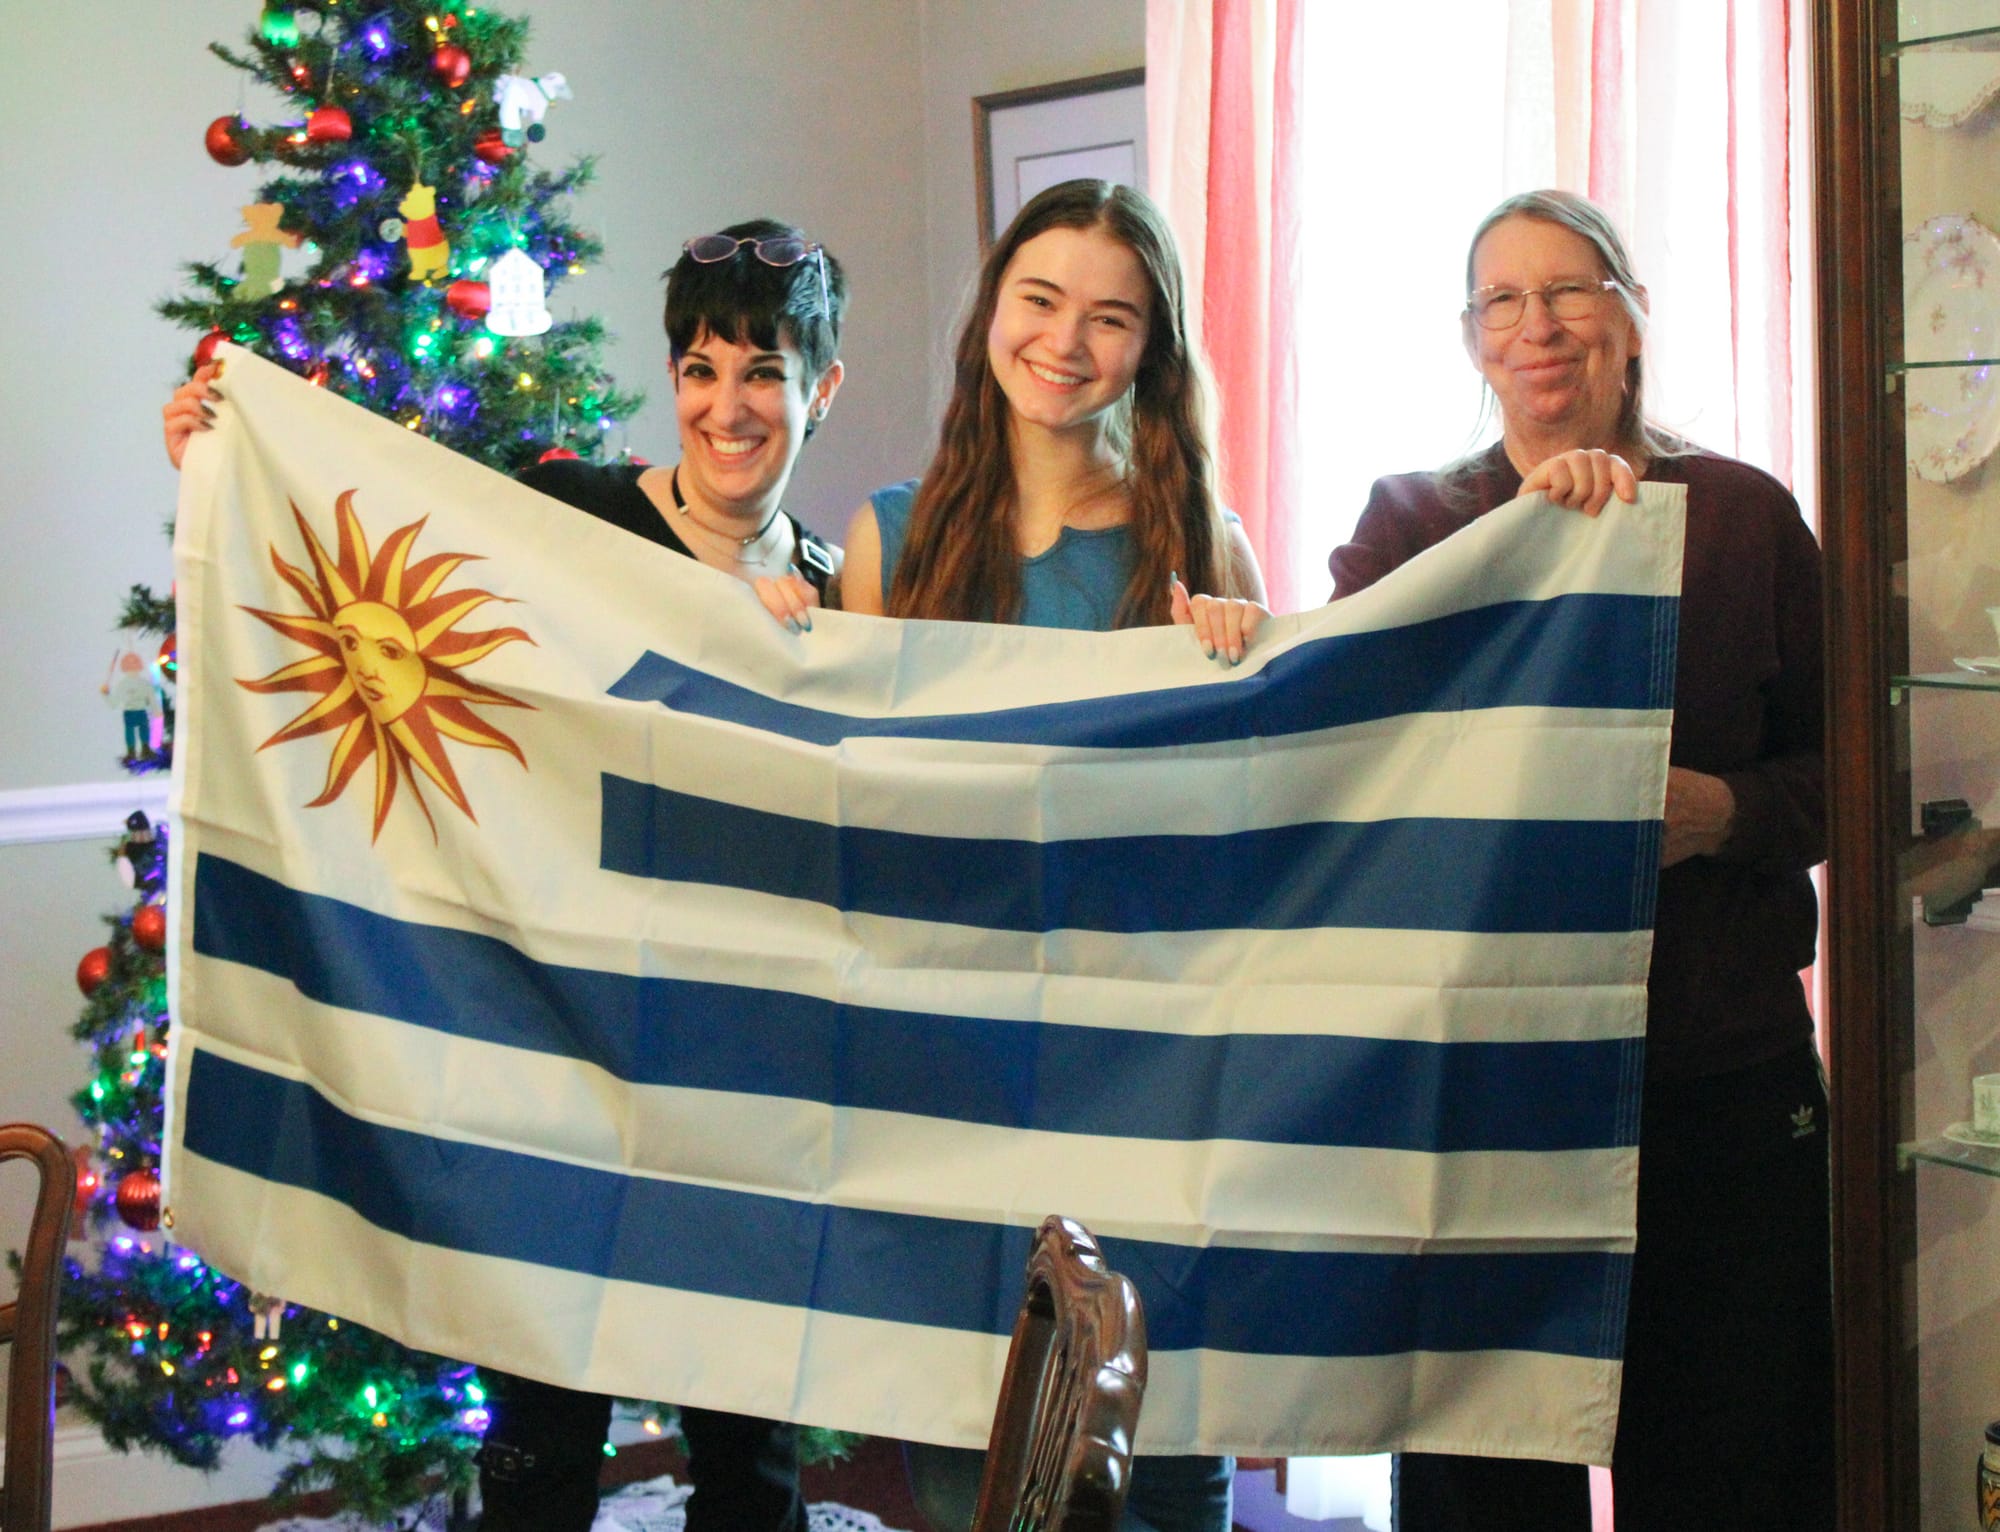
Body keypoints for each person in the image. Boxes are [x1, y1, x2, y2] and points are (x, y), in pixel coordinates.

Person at [164, 217, 847, 1532]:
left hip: (740, 1084)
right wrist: (221, 455)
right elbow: (373, 553)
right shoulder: (574, 516)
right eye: (701, 369)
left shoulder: (840, 592)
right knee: (540, 1444)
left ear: (821, 389)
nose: (727, 406)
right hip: (565, 1060)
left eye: (763, 372)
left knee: (751, 1458)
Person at [1327, 189, 1830, 1532]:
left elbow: (1846, 780)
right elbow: (1345, 761)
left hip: (1720, 1083)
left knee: (1736, 1467)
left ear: (1631, 316)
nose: (1539, 324)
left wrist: (1715, 810)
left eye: (1573, 289)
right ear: (1471, 338)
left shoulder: (1741, 518)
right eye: (1505, 299)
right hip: (1489, 1099)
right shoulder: (1413, 527)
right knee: (1483, 1489)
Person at [839, 176, 1264, 1532]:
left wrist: (1239, 677)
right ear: (991, 315)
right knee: (979, 1442)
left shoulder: (1198, 543)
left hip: (1149, 1053)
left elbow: (1267, 812)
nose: (1067, 343)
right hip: (952, 1064)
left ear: (1154, 350)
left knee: (1167, 1441)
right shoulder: (888, 540)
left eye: (1112, 318)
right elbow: (855, 810)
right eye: (1040, 300)